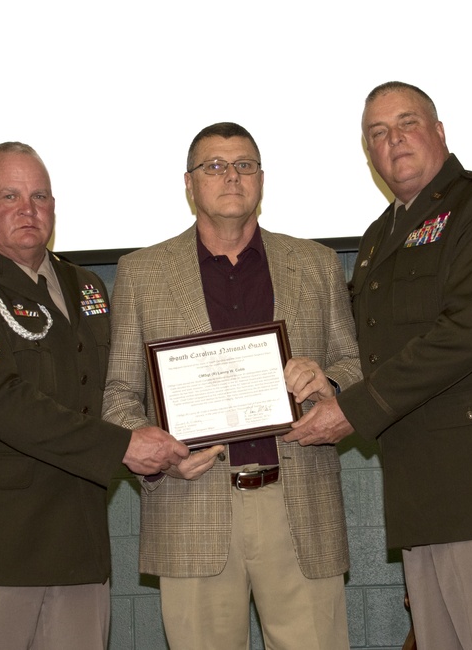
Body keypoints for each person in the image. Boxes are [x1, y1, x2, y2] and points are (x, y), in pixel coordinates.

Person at [284, 82, 472, 648]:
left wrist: (353, 410)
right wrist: (325, 379)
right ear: (368, 152)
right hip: (424, 497)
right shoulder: (377, 239)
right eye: (377, 133)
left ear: (439, 132)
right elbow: (366, 345)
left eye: (407, 123)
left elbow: (466, 334)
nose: (393, 141)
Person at [0, 141, 188, 650]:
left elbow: (118, 387)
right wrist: (123, 447)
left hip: (77, 536)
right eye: (9, 196)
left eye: (41, 196)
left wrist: (180, 437)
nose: (28, 210)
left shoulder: (86, 286)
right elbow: (3, 401)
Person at [102, 122, 362, 649]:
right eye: (214, 166)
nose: (231, 177)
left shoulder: (316, 264)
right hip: (190, 501)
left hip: (298, 502)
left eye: (244, 165)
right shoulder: (141, 272)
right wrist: (159, 453)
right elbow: (118, 397)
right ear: (189, 183)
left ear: (261, 180)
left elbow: (353, 365)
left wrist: (329, 381)